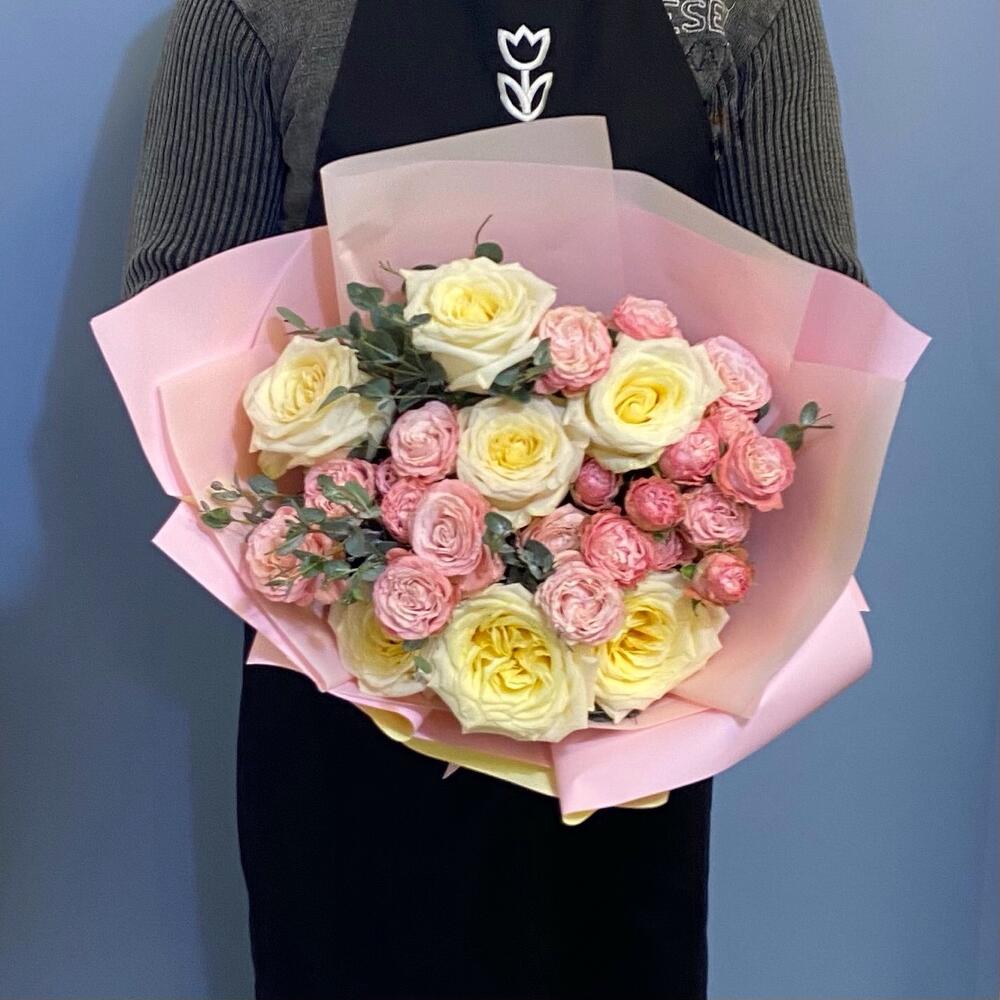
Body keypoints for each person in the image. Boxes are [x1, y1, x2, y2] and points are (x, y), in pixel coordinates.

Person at [123, 2, 863, 997]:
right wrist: (384, 508)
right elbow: (176, 322)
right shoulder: (261, 13)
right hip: (349, 670)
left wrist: (645, 494)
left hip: (627, 685)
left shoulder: (740, 13)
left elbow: (819, 325)